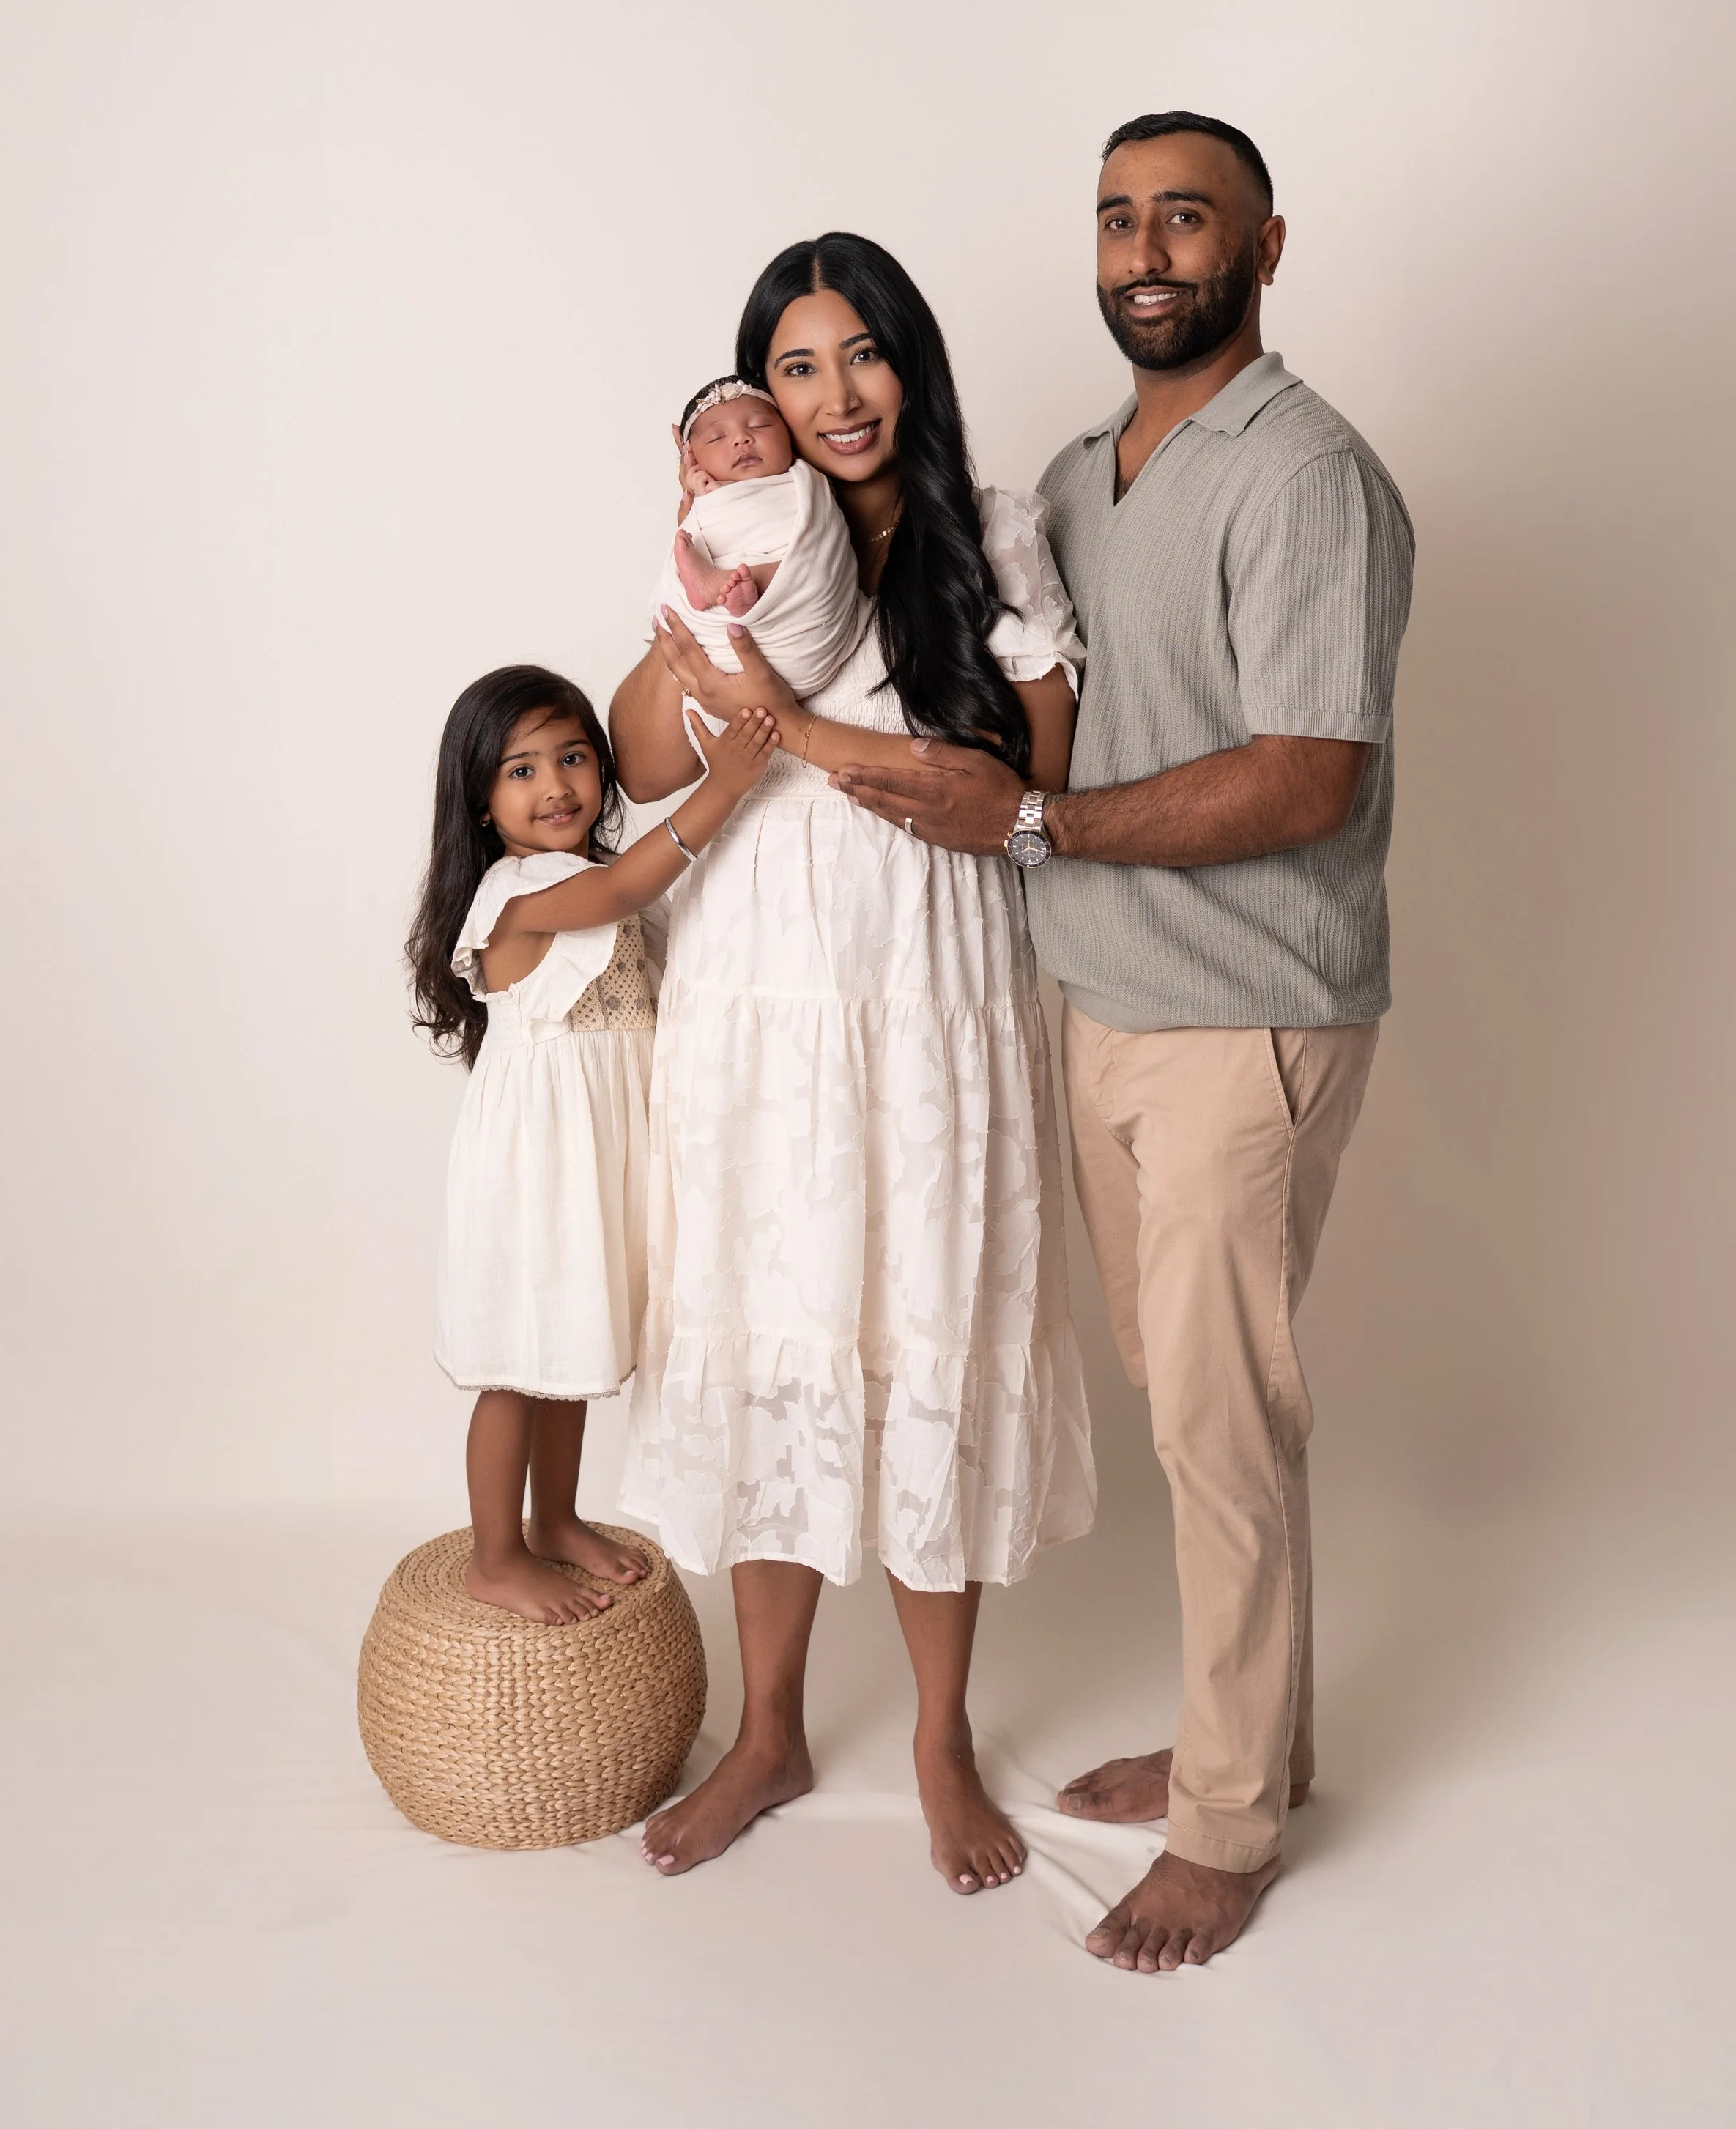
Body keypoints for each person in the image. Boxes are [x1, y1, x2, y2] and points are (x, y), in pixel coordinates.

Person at [836, 114, 1414, 1970]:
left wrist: (1030, 827)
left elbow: (1309, 772)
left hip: (1240, 1014)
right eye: (1118, 217)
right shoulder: (1080, 476)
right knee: (1191, 1411)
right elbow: (1017, 679)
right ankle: (1258, 1741)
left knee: (1223, 1420)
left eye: (1188, 215)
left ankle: (1229, 1821)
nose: (1147, 247)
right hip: (1098, 1002)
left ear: (1262, 242)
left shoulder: (1307, 470)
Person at [608, 232, 1097, 1896]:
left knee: (923, 1321)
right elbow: (638, 749)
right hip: (758, 976)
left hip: (927, 978)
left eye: (862, 353)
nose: (834, 396)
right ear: (752, 397)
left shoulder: (994, 528)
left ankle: (941, 1735)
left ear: (914, 362)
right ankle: (768, 1726)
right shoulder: (743, 534)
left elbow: (1031, 781)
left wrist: (804, 730)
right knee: (775, 1324)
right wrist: (691, 615)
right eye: (795, 367)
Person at [405, 662, 777, 1623]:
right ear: (481, 803)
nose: (557, 785)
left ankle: (556, 1518)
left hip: (593, 1166)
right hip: (536, 1168)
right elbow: (623, 886)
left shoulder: (584, 880)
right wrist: (723, 786)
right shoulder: (514, 892)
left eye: (572, 756)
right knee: (515, 1368)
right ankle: (496, 1552)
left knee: (562, 1355)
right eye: (521, 771)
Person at [654, 375, 863, 688]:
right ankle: (718, 585)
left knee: (814, 568)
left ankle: (719, 585)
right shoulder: (704, 498)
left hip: (810, 633)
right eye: (716, 438)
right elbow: (702, 532)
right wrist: (704, 500)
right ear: (690, 456)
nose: (741, 439)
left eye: (760, 426)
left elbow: (826, 546)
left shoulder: (808, 482)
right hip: (725, 649)